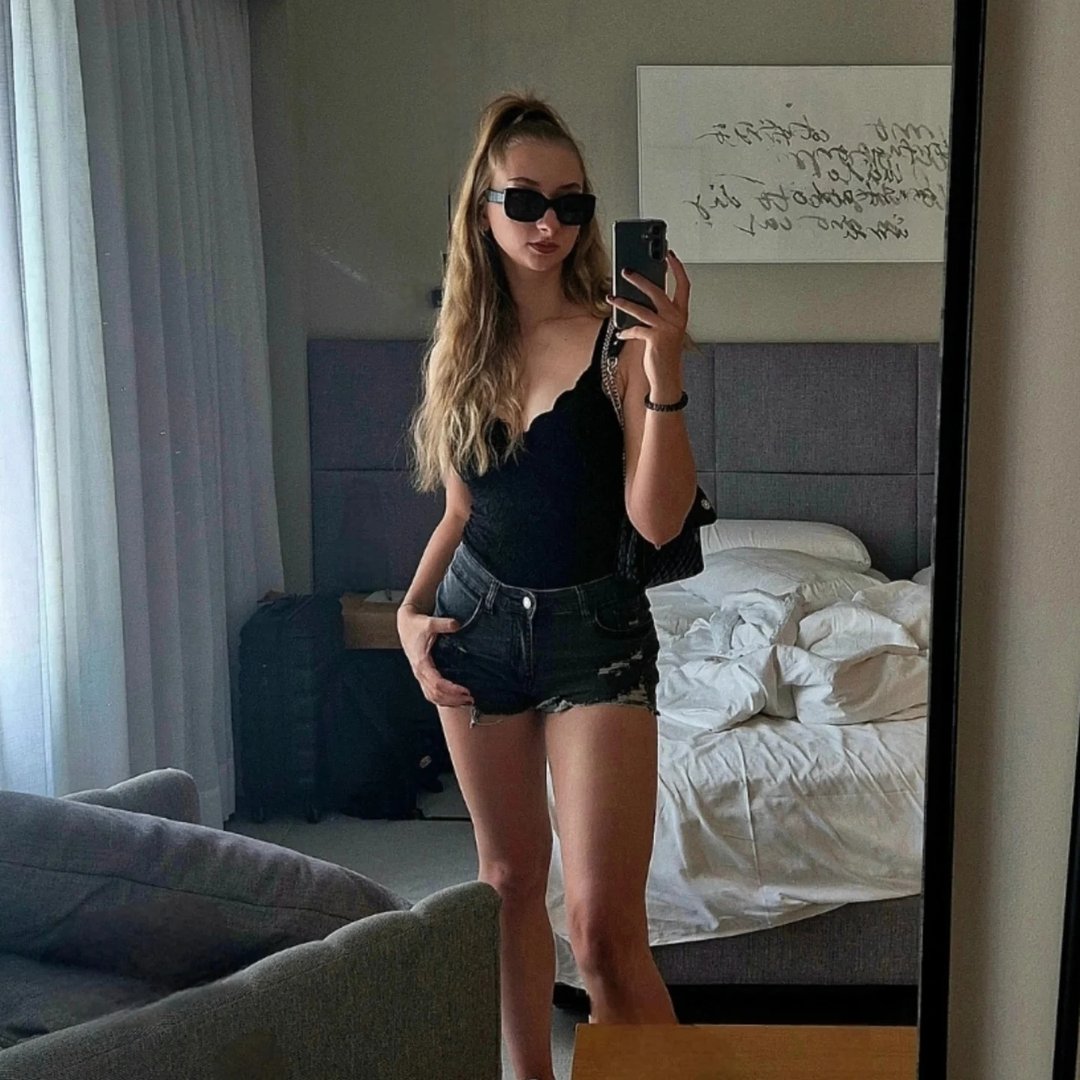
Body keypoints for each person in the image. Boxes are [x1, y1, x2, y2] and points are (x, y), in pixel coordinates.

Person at [398, 91, 696, 1080]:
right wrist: (409, 615)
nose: (549, 224)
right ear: (482, 209)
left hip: (597, 638)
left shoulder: (619, 340)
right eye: (524, 200)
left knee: (605, 934)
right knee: (507, 883)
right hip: (476, 628)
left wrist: (664, 370)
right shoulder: (461, 346)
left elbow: (657, 524)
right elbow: (461, 511)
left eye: (571, 204)